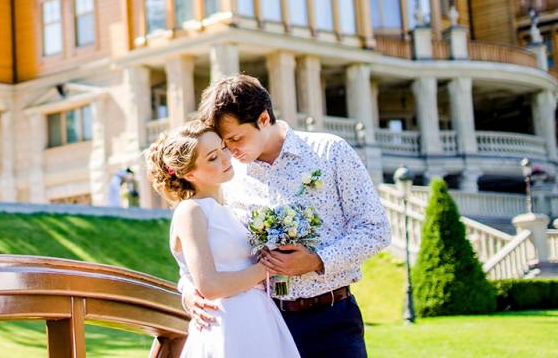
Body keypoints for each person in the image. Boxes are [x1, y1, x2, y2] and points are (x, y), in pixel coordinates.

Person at [184, 74, 390, 358]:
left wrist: (317, 260)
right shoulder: (229, 178)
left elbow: (375, 229)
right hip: (263, 325)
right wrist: (189, 290)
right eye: (225, 143)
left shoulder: (329, 152)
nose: (231, 151)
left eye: (236, 139)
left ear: (263, 118)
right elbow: (210, 245)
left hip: (333, 320)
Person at [146, 120, 299, 358]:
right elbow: (210, 285)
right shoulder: (191, 211)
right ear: (189, 173)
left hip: (260, 319)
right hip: (227, 325)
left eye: (223, 148)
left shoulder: (233, 207)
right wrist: (268, 268)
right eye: (212, 158)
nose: (226, 158)